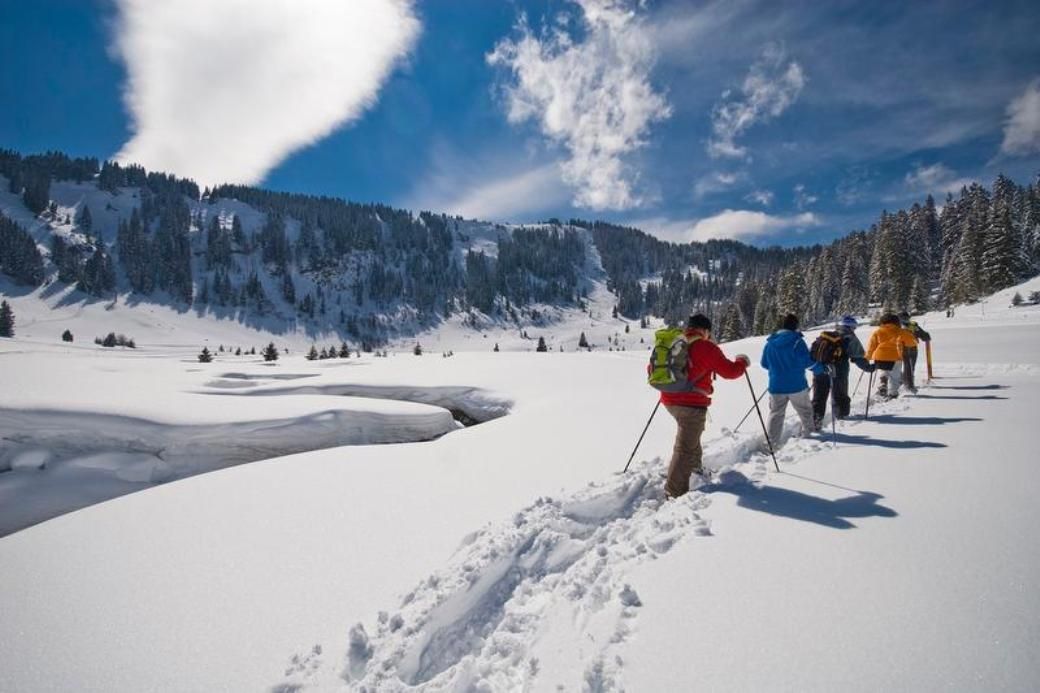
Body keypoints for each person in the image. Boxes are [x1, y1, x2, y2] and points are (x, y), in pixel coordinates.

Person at [660, 313, 750, 498]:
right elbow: (730, 372)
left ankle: (695, 469)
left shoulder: (673, 342)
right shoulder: (706, 347)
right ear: (705, 331)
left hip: (669, 399)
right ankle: (674, 491)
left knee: (691, 436)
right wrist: (742, 362)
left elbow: (652, 369)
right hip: (691, 404)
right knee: (684, 447)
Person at [761, 314, 823, 447]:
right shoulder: (797, 341)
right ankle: (809, 435)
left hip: (776, 385)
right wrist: (820, 369)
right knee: (805, 410)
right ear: (795, 326)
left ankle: (771, 444)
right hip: (797, 385)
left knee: (776, 414)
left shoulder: (770, 343)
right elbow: (806, 361)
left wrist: (777, 369)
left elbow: (764, 363)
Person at [811, 315, 875, 429]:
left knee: (819, 397)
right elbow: (858, 357)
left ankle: (815, 420)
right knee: (839, 394)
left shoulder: (827, 336)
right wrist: (868, 368)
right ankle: (841, 416)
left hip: (820, 370)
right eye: (854, 327)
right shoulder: (850, 338)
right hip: (839, 371)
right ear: (851, 327)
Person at [866, 314, 916, 399]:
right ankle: (893, 393)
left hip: (879, 356)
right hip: (895, 356)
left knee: (883, 370)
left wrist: (868, 356)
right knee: (894, 376)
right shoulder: (901, 331)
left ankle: (883, 383)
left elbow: (872, 345)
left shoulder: (878, 331)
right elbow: (912, 342)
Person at [898, 311, 931, 393]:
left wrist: (925, 336)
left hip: (902, 348)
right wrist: (926, 336)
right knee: (908, 366)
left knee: (905, 366)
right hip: (907, 348)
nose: (904, 320)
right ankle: (907, 383)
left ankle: (906, 382)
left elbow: (923, 335)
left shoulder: (900, 326)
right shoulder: (911, 326)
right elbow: (924, 336)